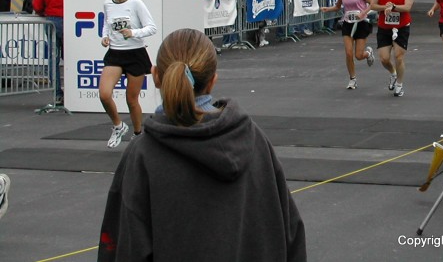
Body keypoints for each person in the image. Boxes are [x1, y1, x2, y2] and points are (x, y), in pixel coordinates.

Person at [97, 29, 307, 262]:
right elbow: (291, 234)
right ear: (213, 80)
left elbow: (124, 247)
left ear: (156, 76)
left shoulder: (143, 155)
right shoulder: (254, 140)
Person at [98, 0, 157, 148]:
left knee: (131, 100)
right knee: (104, 94)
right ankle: (118, 126)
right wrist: (105, 37)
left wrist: (133, 32)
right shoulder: (108, 4)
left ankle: (138, 134)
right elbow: (106, 24)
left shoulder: (136, 3)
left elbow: (151, 28)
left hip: (135, 53)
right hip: (115, 53)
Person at [321, 0, 375, 89]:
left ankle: (368, 53)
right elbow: (338, 6)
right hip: (348, 23)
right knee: (349, 53)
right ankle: (352, 79)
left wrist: (363, 13)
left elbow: (372, 3)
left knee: (358, 55)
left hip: (361, 23)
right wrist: (327, 9)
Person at [370, 0, 414, 97]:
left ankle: (399, 85)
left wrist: (394, 7)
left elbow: (407, 7)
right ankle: (393, 73)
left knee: (399, 57)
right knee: (384, 58)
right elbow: (372, 5)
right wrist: (385, 7)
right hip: (384, 27)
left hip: (401, 26)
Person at [33, 0, 65, 104]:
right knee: (71, 57)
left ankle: (57, 93)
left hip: (51, 21)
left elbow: (37, 5)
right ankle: (74, 93)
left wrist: (43, 12)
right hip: (69, 21)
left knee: (54, 59)